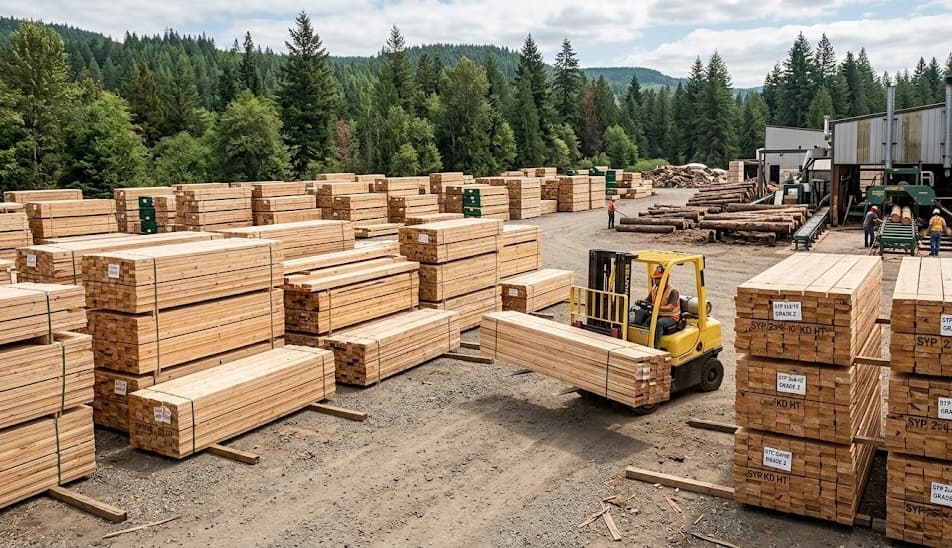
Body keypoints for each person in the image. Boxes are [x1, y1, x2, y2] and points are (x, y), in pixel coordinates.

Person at [630, 265, 681, 349]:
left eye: (657, 279)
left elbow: (670, 308)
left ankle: (655, 347)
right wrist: (640, 303)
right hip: (657, 314)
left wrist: (654, 307)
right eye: (655, 278)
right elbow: (647, 301)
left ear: (665, 279)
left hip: (671, 317)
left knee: (658, 323)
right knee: (638, 313)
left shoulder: (673, 292)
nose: (655, 281)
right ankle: (637, 340)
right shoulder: (654, 290)